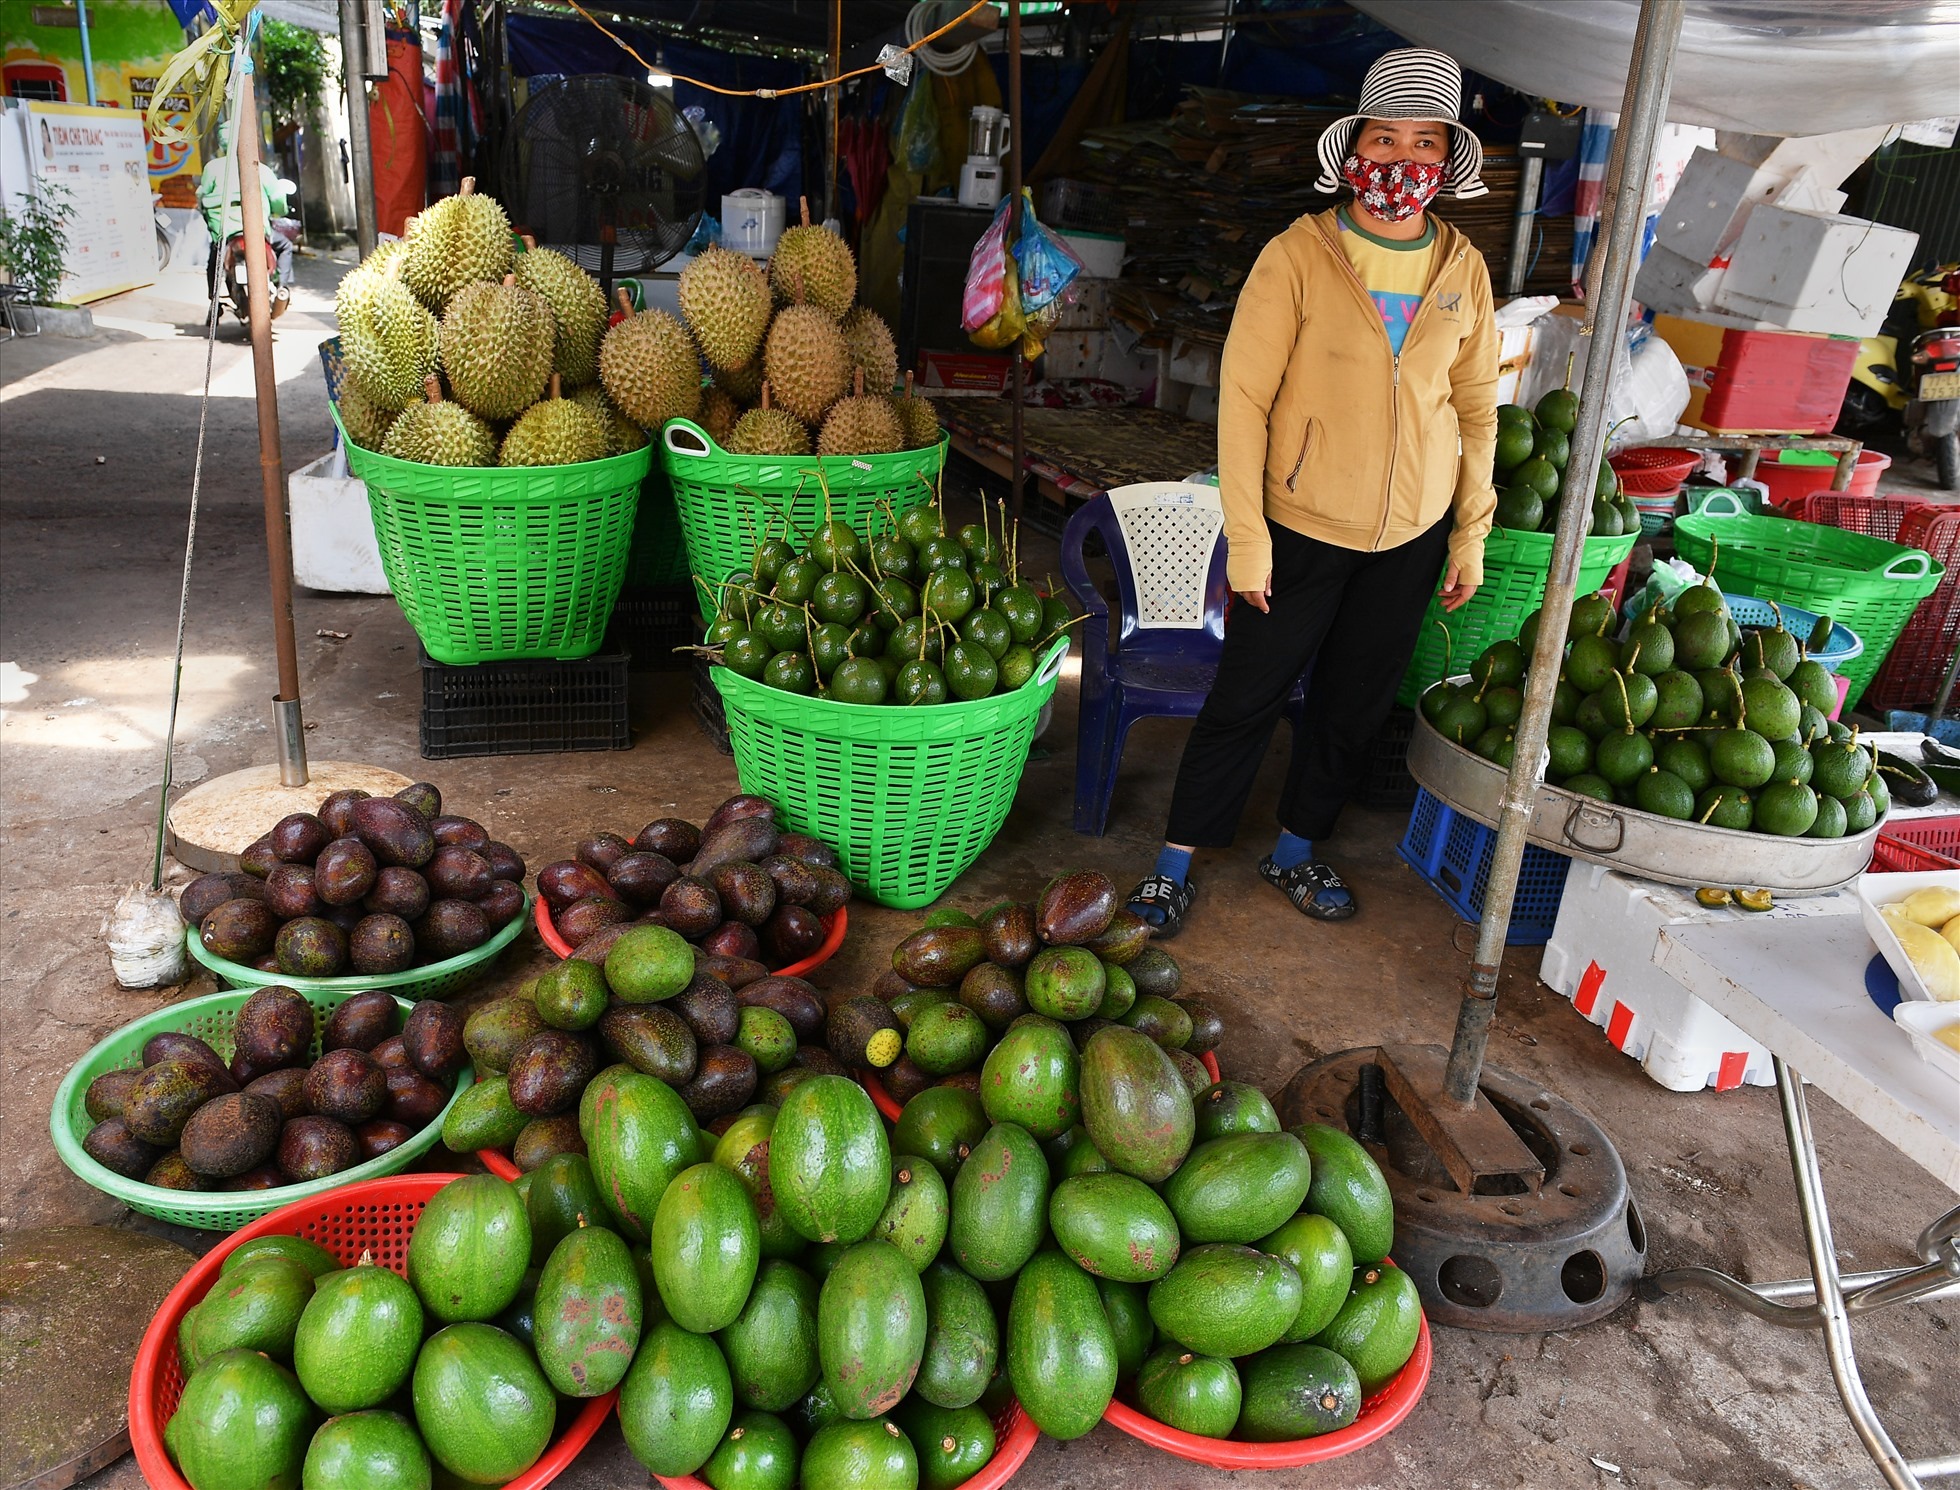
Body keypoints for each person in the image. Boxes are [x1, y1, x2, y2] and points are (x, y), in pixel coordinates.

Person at [1126, 47, 1499, 937]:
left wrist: (1468, 532)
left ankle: (1296, 850)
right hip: (1298, 526)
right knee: (1245, 698)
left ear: (1447, 157)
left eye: (1424, 141)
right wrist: (1249, 538)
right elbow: (1244, 403)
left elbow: (1479, 409)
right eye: (1385, 137)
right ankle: (1173, 863)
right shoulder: (1297, 256)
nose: (1402, 158)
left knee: (1353, 705)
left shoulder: (1465, 271)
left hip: (1410, 534)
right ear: (1354, 147)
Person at [197, 119, 293, 299]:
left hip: (224, 232)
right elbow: (278, 200)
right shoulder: (261, 169)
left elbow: (202, 197)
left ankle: (213, 299)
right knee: (286, 245)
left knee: (214, 259)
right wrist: (281, 211)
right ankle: (283, 287)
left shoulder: (212, 168)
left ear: (221, 142)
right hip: (257, 230)